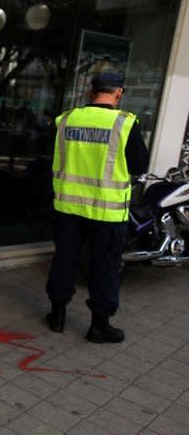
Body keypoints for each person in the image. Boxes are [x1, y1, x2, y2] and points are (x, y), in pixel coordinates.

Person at [45, 72, 148, 343]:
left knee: (64, 259)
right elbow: (139, 166)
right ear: (119, 93)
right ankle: (99, 326)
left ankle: (57, 315)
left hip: (68, 207)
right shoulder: (124, 123)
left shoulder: (66, 119)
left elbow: (53, 157)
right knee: (104, 266)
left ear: (91, 93)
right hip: (107, 212)